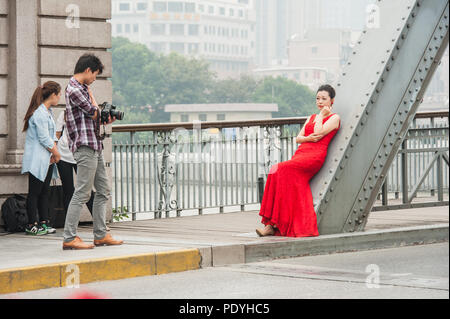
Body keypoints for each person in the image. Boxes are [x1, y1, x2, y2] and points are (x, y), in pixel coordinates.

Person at [256, 84, 341, 238]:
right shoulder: (311, 117)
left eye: (324, 99)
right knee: (275, 171)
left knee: (279, 169)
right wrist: (307, 138)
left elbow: (319, 132)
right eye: (317, 98)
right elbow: (298, 138)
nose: (320, 102)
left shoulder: (334, 118)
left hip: (314, 157)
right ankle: (270, 224)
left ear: (332, 101)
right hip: (301, 153)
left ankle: (271, 225)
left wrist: (321, 116)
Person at [62, 53, 123, 250]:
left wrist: (105, 117)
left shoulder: (84, 88)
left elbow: (95, 114)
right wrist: (103, 113)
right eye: (95, 74)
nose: (95, 79)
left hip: (94, 144)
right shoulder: (74, 89)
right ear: (87, 70)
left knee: (103, 190)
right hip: (84, 146)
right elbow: (93, 111)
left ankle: (101, 235)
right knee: (82, 193)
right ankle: (69, 237)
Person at [21, 81, 62, 235]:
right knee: (34, 192)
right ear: (52, 95)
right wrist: (56, 153)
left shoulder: (48, 112)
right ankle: (31, 224)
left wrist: (53, 153)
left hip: (47, 159)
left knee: (45, 191)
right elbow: (44, 138)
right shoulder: (39, 114)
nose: (59, 97)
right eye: (58, 94)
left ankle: (44, 222)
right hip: (37, 160)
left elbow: (52, 136)